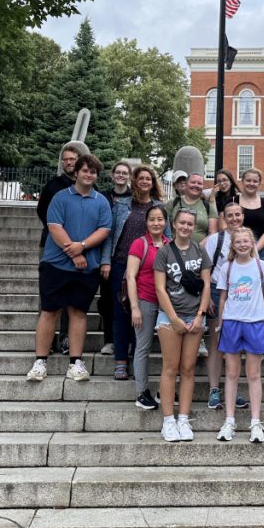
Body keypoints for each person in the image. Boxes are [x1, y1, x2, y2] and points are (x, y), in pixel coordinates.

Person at [27, 154, 112, 384]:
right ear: (76, 173)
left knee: (78, 312)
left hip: (88, 267)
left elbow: (104, 230)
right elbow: (54, 227)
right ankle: (40, 361)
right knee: (50, 311)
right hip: (56, 264)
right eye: (85, 170)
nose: (89, 175)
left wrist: (82, 247)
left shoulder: (101, 201)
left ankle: (75, 362)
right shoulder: (60, 197)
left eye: (93, 172)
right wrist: (75, 254)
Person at [99, 164, 166, 381]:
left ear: (153, 182)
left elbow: (168, 239)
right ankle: (120, 361)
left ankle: (137, 358)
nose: (145, 181)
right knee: (121, 313)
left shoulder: (158, 207)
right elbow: (110, 235)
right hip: (120, 264)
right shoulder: (121, 205)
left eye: (148, 178)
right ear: (134, 181)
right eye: (141, 178)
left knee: (143, 316)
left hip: (148, 268)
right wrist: (105, 262)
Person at [152, 208, 211, 442]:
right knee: (170, 368)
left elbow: (206, 285)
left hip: (194, 316)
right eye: (182, 223)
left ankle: (183, 418)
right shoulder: (164, 252)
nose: (186, 227)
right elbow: (159, 288)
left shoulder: (200, 250)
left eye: (190, 224)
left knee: (188, 369)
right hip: (170, 317)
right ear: (174, 225)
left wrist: (200, 315)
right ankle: (168, 420)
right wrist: (174, 318)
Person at [215, 228, 264, 443]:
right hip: (231, 322)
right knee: (231, 374)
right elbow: (222, 298)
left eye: (245, 241)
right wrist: (221, 325)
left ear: (252, 243)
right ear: (232, 245)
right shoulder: (227, 268)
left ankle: (255, 422)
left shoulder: (261, 266)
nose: (242, 244)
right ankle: (229, 420)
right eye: (237, 241)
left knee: (254, 374)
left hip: (255, 322)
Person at [35, 142, 87, 353]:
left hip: (79, 247)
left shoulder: (88, 186)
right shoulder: (54, 185)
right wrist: (62, 239)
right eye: (65, 159)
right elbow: (44, 214)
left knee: (72, 298)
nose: (68, 162)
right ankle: (46, 342)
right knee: (48, 297)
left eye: (72, 159)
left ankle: (66, 338)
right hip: (52, 247)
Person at [201, 202, 250, 411]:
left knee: (235, 346)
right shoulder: (215, 240)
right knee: (216, 341)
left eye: (237, 214)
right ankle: (214, 389)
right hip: (215, 290)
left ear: (243, 216)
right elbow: (205, 270)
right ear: (224, 218)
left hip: (240, 294)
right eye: (230, 215)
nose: (234, 218)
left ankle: (232, 388)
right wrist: (207, 297)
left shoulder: (248, 239)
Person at [124, 204, 169, 410]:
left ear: (166, 222)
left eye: (160, 219)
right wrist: (135, 307)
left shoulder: (170, 244)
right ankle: (142, 392)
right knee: (142, 347)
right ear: (146, 222)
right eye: (152, 219)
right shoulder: (139, 244)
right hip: (145, 300)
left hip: (166, 304)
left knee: (169, 351)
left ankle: (164, 390)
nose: (156, 223)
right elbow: (131, 277)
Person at [96, 160, 134, 356]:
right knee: (108, 300)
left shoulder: (134, 198)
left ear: (129, 176)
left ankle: (126, 340)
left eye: (124, 173)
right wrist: (105, 260)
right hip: (108, 254)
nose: (121, 175)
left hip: (130, 258)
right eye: (117, 172)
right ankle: (110, 340)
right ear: (112, 176)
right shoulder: (103, 197)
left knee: (128, 302)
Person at [237, 168, 264, 260]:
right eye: (248, 180)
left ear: (259, 184)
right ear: (242, 181)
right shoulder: (233, 201)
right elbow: (224, 226)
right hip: (238, 246)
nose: (251, 183)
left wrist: (254, 250)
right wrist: (243, 247)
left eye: (255, 181)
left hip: (263, 249)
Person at [169, 172, 219, 244]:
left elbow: (213, 233)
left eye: (199, 183)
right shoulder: (172, 203)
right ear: (186, 184)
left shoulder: (208, 207)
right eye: (193, 182)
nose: (196, 185)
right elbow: (164, 228)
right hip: (174, 251)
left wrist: (197, 249)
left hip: (199, 252)